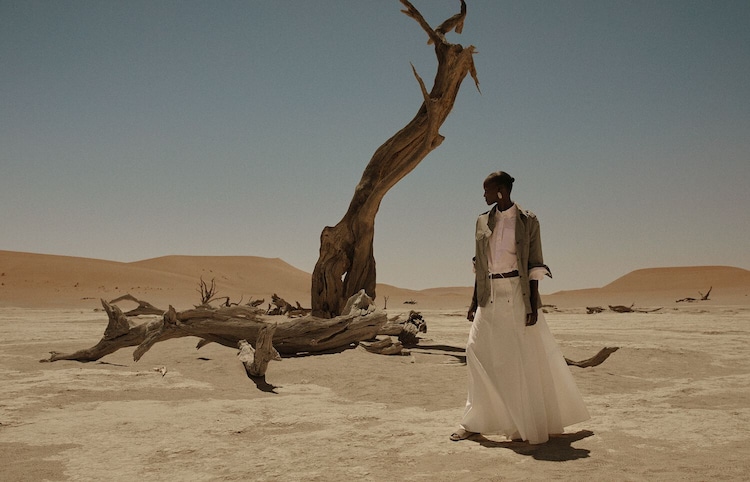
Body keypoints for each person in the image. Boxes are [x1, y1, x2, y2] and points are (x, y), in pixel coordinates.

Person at [451, 171, 590, 444]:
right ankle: (474, 421)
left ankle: (521, 423)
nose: (484, 195)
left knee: (516, 358)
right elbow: (480, 264)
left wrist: (533, 305)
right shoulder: (482, 221)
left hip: (516, 292)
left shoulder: (528, 221)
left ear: (500, 191)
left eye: (487, 190)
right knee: (475, 350)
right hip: (488, 293)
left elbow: (535, 264)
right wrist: (473, 302)